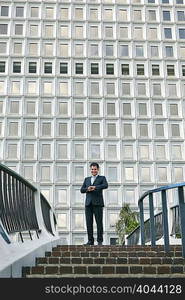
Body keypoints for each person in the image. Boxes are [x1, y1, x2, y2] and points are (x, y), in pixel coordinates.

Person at [80, 162, 108, 245]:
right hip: (88, 204)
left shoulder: (102, 178)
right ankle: (90, 241)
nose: (93, 170)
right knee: (89, 223)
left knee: (99, 222)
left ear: (98, 169)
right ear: (90, 170)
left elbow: (105, 185)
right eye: (92, 169)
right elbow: (82, 190)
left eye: (95, 169)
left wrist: (95, 187)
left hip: (98, 203)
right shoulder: (87, 179)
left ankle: (100, 241)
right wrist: (87, 189)